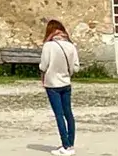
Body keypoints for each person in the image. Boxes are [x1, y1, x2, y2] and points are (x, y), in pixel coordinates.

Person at [39, 19, 80, 156]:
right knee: (68, 114)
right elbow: (76, 67)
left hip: (52, 84)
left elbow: (43, 66)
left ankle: (65, 145)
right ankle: (71, 144)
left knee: (59, 115)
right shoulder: (70, 46)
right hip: (66, 82)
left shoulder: (48, 46)